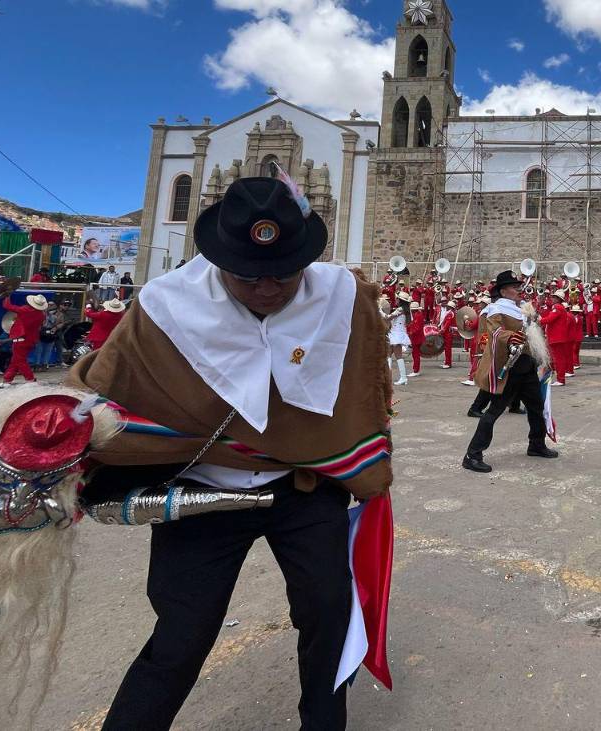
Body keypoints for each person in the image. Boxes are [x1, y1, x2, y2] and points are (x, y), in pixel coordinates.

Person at [65, 176, 391, 729]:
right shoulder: (166, 305)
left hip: (305, 486)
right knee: (181, 633)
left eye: (282, 274)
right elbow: (100, 394)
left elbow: (366, 382)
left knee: (329, 613)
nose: (267, 288)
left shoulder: (342, 295)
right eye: (248, 276)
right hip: (202, 494)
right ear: (219, 260)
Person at [462, 269, 558, 473]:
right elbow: (494, 332)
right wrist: (509, 337)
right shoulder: (496, 309)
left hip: (528, 366)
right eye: (515, 287)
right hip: (510, 367)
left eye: (518, 287)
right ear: (504, 291)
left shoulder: (524, 308)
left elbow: (535, 337)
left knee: (536, 407)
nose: (519, 290)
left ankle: (536, 445)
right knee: (494, 412)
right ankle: (472, 455)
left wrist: (544, 359)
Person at [0, 294, 48, 388]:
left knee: (20, 361)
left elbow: (7, 306)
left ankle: (30, 379)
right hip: (31, 339)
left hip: (20, 339)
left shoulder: (25, 310)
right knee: (15, 361)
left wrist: (7, 295)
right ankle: (7, 381)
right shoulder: (41, 315)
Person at [540, 290, 572, 386]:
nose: (552, 298)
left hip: (556, 337)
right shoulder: (559, 307)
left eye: (554, 297)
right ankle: (560, 378)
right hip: (558, 337)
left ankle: (560, 379)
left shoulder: (557, 307)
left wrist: (540, 319)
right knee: (559, 359)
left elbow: (550, 319)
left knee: (558, 359)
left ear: (558, 299)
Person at [387, 292, 412, 385]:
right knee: (388, 354)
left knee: (398, 356)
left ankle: (403, 377)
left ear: (400, 300)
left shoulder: (400, 309)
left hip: (397, 335)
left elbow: (388, 318)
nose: (396, 300)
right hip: (394, 333)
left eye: (397, 299)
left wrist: (380, 311)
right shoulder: (403, 309)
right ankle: (387, 377)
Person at [407, 301, 426, 376]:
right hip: (416, 337)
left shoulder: (418, 315)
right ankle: (415, 369)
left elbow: (416, 327)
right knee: (415, 354)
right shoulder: (417, 314)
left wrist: (410, 332)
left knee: (416, 354)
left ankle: (416, 370)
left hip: (417, 337)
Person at [438, 299, 457, 369]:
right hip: (447, 332)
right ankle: (447, 362)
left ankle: (448, 363)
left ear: (450, 307)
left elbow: (447, 324)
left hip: (448, 333)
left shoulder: (450, 313)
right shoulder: (450, 312)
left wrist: (442, 331)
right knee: (447, 348)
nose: (446, 307)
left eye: (448, 306)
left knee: (448, 349)